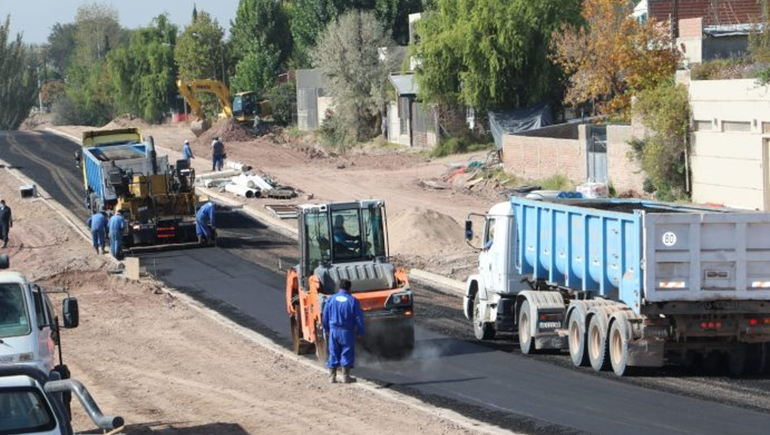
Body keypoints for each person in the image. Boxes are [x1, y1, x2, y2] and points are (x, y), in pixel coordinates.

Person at [322, 279, 365, 384]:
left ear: (339, 287)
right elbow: (359, 318)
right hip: (346, 331)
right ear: (349, 288)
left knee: (333, 352)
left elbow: (325, 315)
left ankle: (332, 377)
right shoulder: (353, 300)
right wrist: (361, 331)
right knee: (347, 351)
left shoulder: (331, 299)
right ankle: (345, 376)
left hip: (333, 330)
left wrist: (326, 328)